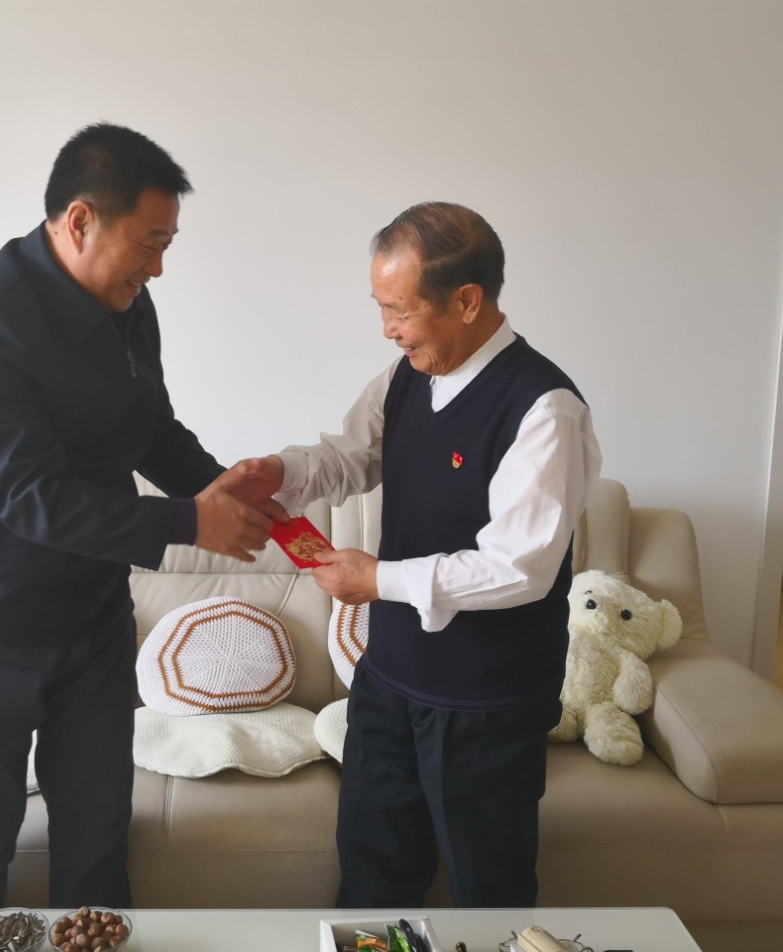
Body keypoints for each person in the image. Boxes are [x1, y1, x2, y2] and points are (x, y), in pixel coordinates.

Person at [0, 123, 283, 910]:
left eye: (167, 244)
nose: (158, 266)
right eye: (150, 243)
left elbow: (150, 429)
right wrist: (189, 522)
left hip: (95, 620)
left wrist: (222, 488)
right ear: (80, 221)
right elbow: (28, 498)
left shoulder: (126, 303)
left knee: (99, 841)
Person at [251, 202, 602, 908]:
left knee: (489, 892)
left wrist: (377, 579)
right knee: (370, 875)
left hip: (488, 703)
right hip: (389, 679)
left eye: (399, 310)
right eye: (381, 307)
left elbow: (519, 567)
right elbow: (350, 456)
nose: (387, 327)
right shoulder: (405, 375)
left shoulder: (545, 408)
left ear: (466, 301)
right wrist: (277, 472)